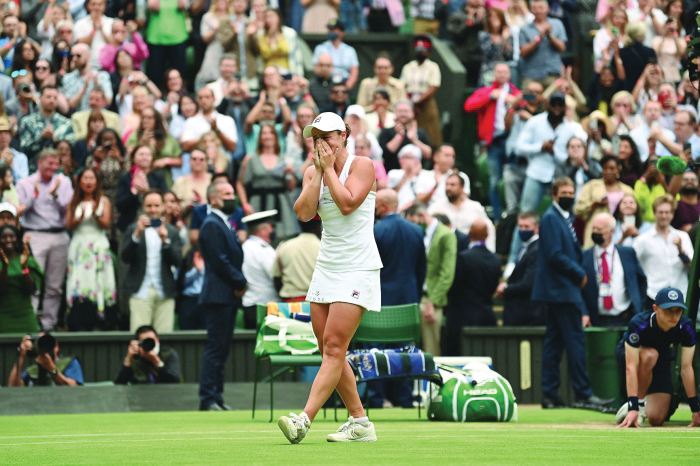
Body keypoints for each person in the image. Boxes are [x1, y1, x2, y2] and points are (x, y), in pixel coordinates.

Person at [277, 112, 381, 443]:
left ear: (344, 135)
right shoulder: (314, 171)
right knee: (330, 351)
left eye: (328, 136)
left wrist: (329, 171)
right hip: (327, 267)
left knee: (335, 346)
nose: (321, 142)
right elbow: (305, 213)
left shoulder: (362, 165)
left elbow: (348, 203)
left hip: (358, 266)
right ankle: (360, 422)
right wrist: (320, 172)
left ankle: (304, 419)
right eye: (315, 137)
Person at [532, 177, 615, 411]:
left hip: (559, 290)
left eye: (571, 191)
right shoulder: (550, 218)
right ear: (555, 194)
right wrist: (579, 273)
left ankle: (550, 394)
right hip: (562, 290)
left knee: (554, 343)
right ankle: (583, 394)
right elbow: (555, 255)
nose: (569, 195)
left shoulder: (562, 218)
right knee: (575, 342)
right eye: (564, 192)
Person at [504, 92, 576, 275]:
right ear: (547, 105)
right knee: (525, 216)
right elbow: (519, 147)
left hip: (557, 178)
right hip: (536, 174)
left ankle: (558, 262)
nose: (557, 109)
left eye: (561, 105)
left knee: (562, 218)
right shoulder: (535, 122)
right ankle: (513, 262)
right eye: (554, 105)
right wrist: (540, 147)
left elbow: (567, 157)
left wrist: (553, 152)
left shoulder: (568, 129)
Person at [615, 287, 699, 428]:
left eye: (678, 311)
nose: (674, 316)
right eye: (668, 310)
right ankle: (638, 404)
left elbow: (686, 367)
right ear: (655, 308)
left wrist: (695, 410)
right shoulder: (638, 323)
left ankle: (641, 403)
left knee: (656, 419)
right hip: (631, 355)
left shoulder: (687, 327)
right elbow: (630, 367)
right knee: (650, 355)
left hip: (661, 359)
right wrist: (634, 407)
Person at [198, 181, 247, 411]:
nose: (231, 197)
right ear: (213, 198)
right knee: (216, 348)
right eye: (226, 194)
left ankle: (216, 396)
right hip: (218, 294)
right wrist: (239, 281)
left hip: (227, 295)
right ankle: (208, 397)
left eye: (232, 193)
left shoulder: (224, 223)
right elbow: (220, 261)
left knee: (223, 349)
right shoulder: (211, 224)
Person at [15, 149, 73, 331]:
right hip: (35, 234)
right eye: (50, 163)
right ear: (40, 163)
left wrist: (55, 195)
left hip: (59, 235)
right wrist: (35, 195)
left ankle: (49, 325)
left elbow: (68, 211)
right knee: (33, 283)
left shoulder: (63, 181)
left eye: (56, 164)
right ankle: (30, 324)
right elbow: (20, 211)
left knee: (54, 286)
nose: (53, 168)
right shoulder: (26, 183)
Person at [121, 190, 183, 333]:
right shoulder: (132, 229)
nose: (153, 210)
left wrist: (165, 242)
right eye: (149, 206)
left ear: (163, 206)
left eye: (156, 205)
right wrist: (137, 234)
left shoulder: (172, 231)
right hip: (140, 291)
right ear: (143, 207)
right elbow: (125, 258)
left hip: (165, 292)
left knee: (165, 339)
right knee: (139, 339)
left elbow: (178, 261)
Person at [464, 63, 521, 218]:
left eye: (504, 72)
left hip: (513, 142)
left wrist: (515, 102)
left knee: (511, 180)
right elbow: (469, 106)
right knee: (494, 181)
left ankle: (511, 214)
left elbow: (528, 105)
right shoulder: (486, 91)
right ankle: (497, 217)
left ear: (510, 75)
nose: (501, 74)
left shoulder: (516, 93)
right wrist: (490, 97)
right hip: (493, 142)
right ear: (493, 74)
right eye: (498, 72)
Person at [65, 168, 117, 331]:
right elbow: (68, 225)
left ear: (96, 181)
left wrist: (95, 213)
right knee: (79, 281)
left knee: (99, 279)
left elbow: (106, 224)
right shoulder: (73, 201)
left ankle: (101, 316)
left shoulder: (103, 200)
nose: (88, 182)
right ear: (79, 181)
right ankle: (78, 315)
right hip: (79, 244)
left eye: (91, 178)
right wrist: (78, 219)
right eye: (85, 178)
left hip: (97, 244)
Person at [405, 202, 456, 358]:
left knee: (431, 348)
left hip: (431, 299)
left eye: (413, 222)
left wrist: (432, 301)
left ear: (421, 216)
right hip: (418, 296)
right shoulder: (426, 233)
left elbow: (447, 273)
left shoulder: (445, 234)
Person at [581, 213, 647, 328]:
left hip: (624, 318)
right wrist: (584, 312)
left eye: (599, 229)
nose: (595, 231)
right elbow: (578, 288)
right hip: (595, 321)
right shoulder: (585, 257)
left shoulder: (627, 253)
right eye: (593, 228)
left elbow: (641, 281)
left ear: (612, 232)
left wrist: (637, 306)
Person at [445, 219, 500, 353]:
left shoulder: (463, 258)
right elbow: (493, 287)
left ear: (469, 234)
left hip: (461, 318)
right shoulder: (495, 259)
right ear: (487, 235)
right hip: (486, 316)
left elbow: (454, 287)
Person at [237, 124, 299, 238]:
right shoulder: (251, 159)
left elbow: (291, 188)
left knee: (283, 237)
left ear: (275, 136)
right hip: (258, 202)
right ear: (260, 137)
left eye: (270, 133)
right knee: (258, 235)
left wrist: (290, 173)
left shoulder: (284, 158)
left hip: (280, 203)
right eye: (264, 133)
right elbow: (240, 183)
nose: (267, 136)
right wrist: (245, 204)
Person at [633, 194, 693, 309]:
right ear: (654, 213)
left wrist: (681, 252)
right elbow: (633, 266)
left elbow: (692, 268)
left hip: (680, 295)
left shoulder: (683, 237)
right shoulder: (643, 240)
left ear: (672, 214)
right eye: (660, 212)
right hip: (653, 295)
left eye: (667, 212)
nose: (664, 216)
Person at [374, 189, 426, 307]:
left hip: (382, 298)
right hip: (409, 297)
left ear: (384, 206)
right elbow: (421, 268)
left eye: (376, 203)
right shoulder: (417, 230)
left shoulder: (375, 231)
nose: (375, 207)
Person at [575, 156, 634, 249]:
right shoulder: (592, 186)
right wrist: (594, 204)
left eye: (612, 168)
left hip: (620, 232)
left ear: (618, 170)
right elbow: (577, 210)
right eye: (605, 168)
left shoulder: (627, 190)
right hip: (597, 231)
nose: (608, 172)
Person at [495, 211, 544, 326]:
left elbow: (528, 283)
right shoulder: (525, 247)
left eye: (526, 227)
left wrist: (506, 288)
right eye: (520, 226)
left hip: (528, 312)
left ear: (536, 228)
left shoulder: (536, 250)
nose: (523, 230)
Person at [428, 173, 496, 251]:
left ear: (462, 187)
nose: (448, 188)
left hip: (469, 252)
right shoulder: (436, 207)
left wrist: (490, 251)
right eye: (447, 184)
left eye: (452, 185)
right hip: (445, 249)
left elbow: (489, 227)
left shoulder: (475, 206)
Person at [240, 210, 281, 329]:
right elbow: (275, 275)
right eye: (271, 227)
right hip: (266, 308)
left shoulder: (244, 247)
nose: (273, 231)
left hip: (249, 306)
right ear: (262, 231)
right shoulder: (264, 250)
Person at [401, 35, 442, 147]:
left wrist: (417, 102)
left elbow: (433, 87)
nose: (420, 53)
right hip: (409, 103)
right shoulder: (408, 67)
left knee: (431, 133)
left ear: (429, 52)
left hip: (426, 103)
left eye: (423, 50)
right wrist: (410, 103)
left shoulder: (433, 67)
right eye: (418, 50)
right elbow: (403, 86)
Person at [115, 145, 168, 232]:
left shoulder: (158, 176)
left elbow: (165, 199)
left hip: (155, 225)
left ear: (152, 159)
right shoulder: (125, 177)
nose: (144, 157)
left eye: (148, 155)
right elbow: (119, 205)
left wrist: (148, 192)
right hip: (130, 224)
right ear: (133, 158)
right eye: (141, 154)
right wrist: (133, 192)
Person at [18, 85, 74, 166]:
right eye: (48, 97)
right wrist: (41, 138)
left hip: (58, 171)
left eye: (55, 98)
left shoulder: (66, 123)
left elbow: (72, 150)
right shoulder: (28, 122)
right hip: (33, 169)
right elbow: (23, 149)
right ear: (40, 98)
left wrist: (56, 141)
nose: (52, 100)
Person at [0, 224, 41, 334]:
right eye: (4, 237)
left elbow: (31, 290)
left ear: (17, 239)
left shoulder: (28, 260)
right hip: (3, 317)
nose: (8, 239)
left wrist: (24, 268)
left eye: (11, 236)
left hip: (25, 316)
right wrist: (4, 266)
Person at [272, 217, 322, 302]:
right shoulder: (324, 249)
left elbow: (276, 279)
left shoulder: (284, 247)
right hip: (317, 304)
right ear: (318, 225)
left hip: (290, 304)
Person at [518, 0, 567, 87]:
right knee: (528, 98)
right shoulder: (524, 29)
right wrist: (538, 38)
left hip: (552, 74)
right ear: (530, 10)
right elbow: (523, 52)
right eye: (535, 8)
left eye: (541, 8)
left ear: (548, 9)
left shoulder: (557, 24)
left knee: (555, 99)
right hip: (531, 75)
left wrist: (550, 36)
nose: (538, 11)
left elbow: (562, 48)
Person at [8, 333, 84, 386]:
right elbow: (13, 387)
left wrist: (52, 369)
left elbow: (74, 387)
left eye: (47, 342)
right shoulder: (32, 370)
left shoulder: (69, 363)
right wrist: (21, 356)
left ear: (56, 346)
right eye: (40, 342)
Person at [114, 325, 181, 384]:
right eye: (145, 342)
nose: (149, 344)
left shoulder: (168, 354)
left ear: (158, 340)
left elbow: (175, 382)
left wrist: (157, 362)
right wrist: (128, 359)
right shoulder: (133, 359)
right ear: (138, 344)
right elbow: (119, 385)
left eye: (152, 340)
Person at [378, 100, 431, 171]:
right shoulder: (386, 132)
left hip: (417, 175)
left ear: (413, 113)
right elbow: (384, 154)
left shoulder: (421, 132)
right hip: (392, 174)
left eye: (406, 111)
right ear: (395, 113)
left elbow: (428, 155)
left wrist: (413, 139)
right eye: (400, 111)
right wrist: (399, 136)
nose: (403, 114)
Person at [181, 87, 238, 154]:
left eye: (207, 97)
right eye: (200, 98)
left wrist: (217, 130)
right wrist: (205, 139)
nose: (204, 100)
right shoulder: (191, 121)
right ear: (197, 101)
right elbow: (185, 146)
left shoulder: (227, 120)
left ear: (214, 99)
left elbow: (232, 147)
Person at [61, 43, 113, 112]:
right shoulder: (68, 78)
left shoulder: (102, 76)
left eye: (78, 56)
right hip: (78, 119)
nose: (74, 59)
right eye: (72, 56)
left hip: (98, 118)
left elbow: (108, 102)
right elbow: (71, 105)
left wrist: (98, 86)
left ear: (88, 56)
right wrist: (84, 87)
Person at [415, 144, 470, 209]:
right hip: (431, 213)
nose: (450, 159)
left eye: (453, 156)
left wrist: (456, 183)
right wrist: (436, 186)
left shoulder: (461, 176)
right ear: (436, 157)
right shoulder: (424, 176)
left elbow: (465, 202)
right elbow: (420, 202)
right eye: (447, 155)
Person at [311, 19, 359, 91]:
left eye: (334, 30)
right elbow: (316, 68)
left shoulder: (350, 50)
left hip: (344, 82)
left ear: (341, 32)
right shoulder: (321, 48)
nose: (331, 32)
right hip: (326, 82)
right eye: (330, 29)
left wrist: (347, 87)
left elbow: (354, 71)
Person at [74, 0, 113, 69]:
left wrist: (101, 30)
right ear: (88, 6)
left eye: (100, 4)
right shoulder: (80, 23)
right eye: (93, 4)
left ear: (105, 6)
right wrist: (94, 30)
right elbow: (80, 44)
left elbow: (114, 44)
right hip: (88, 66)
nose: (96, 7)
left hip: (108, 66)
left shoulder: (111, 22)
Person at [387, 144, 425, 212]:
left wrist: (417, 173)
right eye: (403, 157)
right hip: (397, 210)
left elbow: (422, 198)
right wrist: (407, 173)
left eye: (409, 157)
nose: (405, 160)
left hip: (415, 212)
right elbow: (392, 193)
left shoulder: (424, 175)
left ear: (418, 161)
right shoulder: (394, 173)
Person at [634, 155, 668, 223]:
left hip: (663, 222)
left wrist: (663, 182)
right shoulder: (640, 183)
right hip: (644, 222)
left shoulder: (666, 182)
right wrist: (645, 176)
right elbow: (638, 203)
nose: (654, 166)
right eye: (652, 163)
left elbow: (673, 201)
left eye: (657, 163)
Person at [0, 116, 28, 183]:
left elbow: (24, 184)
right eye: (0, 133)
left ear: (11, 136)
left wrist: (12, 165)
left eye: (6, 133)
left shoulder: (21, 157)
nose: (3, 136)